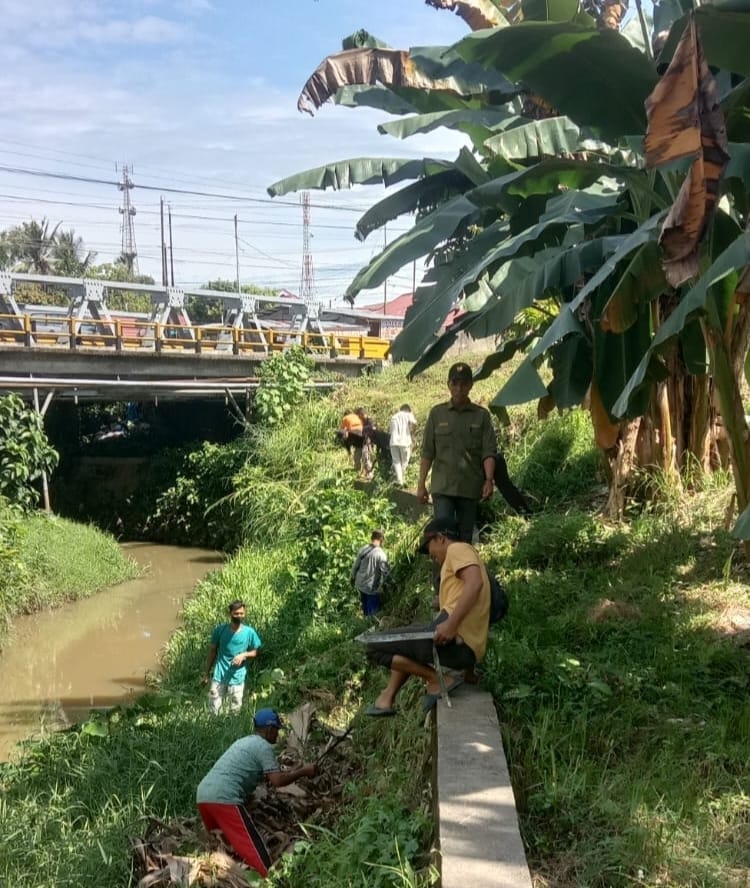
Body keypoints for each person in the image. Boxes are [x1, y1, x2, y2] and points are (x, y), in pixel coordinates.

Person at [365, 517, 490, 716]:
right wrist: (469, 673)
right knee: (402, 641)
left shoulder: (458, 549)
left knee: (373, 646)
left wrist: (451, 624)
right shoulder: (458, 561)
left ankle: (436, 680)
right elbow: (470, 604)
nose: (431, 555)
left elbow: (475, 584)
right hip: (465, 650)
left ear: (440, 538)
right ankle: (386, 698)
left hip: (457, 644)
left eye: (429, 546)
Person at [196, 708, 317, 877]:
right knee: (253, 849)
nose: (277, 734)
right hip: (224, 798)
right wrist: (304, 771)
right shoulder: (263, 746)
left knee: (220, 847)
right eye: (277, 730)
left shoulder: (243, 742)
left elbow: (265, 775)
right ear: (269, 729)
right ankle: (268, 880)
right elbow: (277, 781)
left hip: (203, 795)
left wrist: (296, 770)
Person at [417, 362, 497, 543]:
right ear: (448, 384)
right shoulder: (437, 414)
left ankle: (461, 571)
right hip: (442, 488)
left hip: (469, 488)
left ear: (470, 385)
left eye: (464, 384)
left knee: (464, 539)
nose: (459, 388)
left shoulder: (481, 416)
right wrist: (421, 483)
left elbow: (488, 452)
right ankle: (441, 572)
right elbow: (427, 452)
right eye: (455, 383)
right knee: (443, 537)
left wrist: (489, 480)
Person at [203, 600, 262, 715]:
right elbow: (212, 652)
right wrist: (206, 673)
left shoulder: (249, 632)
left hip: (237, 677)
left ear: (244, 614)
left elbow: (256, 651)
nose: (239, 616)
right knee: (213, 710)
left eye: (241, 613)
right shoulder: (220, 630)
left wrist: (243, 655)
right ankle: (214, 729)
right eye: (236, 613)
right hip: (219, 676)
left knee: (235, 711)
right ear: (230, 614)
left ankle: (232, 731)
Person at [351, 529, 390, 616]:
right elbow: (386, 573)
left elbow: (355, 566)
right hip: (371, 588)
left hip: (361, 585)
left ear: (372, 538)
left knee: (365, 606)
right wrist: (389, 585)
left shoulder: (363, 549)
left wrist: (352, 578)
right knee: (373, 613)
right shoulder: (381, 555)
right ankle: (371, 626)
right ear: (381, 539)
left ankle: (365, 622)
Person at [389, 404, 418, 486]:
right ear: (408, 410)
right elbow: (414, 423)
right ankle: (403, 479)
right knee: (405, 461)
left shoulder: (394, 417)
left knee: (396, 461)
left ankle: (399, 480)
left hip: (393, 442)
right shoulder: (408, 414)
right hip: (405, 441)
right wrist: (412, 432)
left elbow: (391, 430)